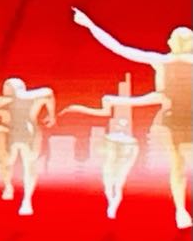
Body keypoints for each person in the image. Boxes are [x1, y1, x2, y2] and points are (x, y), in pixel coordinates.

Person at [72, 10, 193, 229]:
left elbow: (120, 48)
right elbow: (121, 49)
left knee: (177, 165)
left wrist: (90, 25)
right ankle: (180, 211)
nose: (172, 42)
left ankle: (180, 211)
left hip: (173, 119)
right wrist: (90, 25)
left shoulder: (162, 61)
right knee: (177, 165)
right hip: (173, 120)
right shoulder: (162, 61)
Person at [59, 82, 170, 219]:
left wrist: (76, 108)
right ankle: (111, 205)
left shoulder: (146, 100)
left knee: (116, 180)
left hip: (126, 143)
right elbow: (102, 111)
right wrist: (76, 108)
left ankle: (112, 206)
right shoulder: (114, 101)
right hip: (119, 142)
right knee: (112, 179)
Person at [0, 78, 55, 216]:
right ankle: (8, 186)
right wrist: (0, 129)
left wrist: (51, 115)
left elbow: (48, 93)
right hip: (9, 134)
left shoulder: (32, 99)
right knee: (7, 162)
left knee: (29, 164)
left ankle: (27, 200)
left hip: (28, 134)